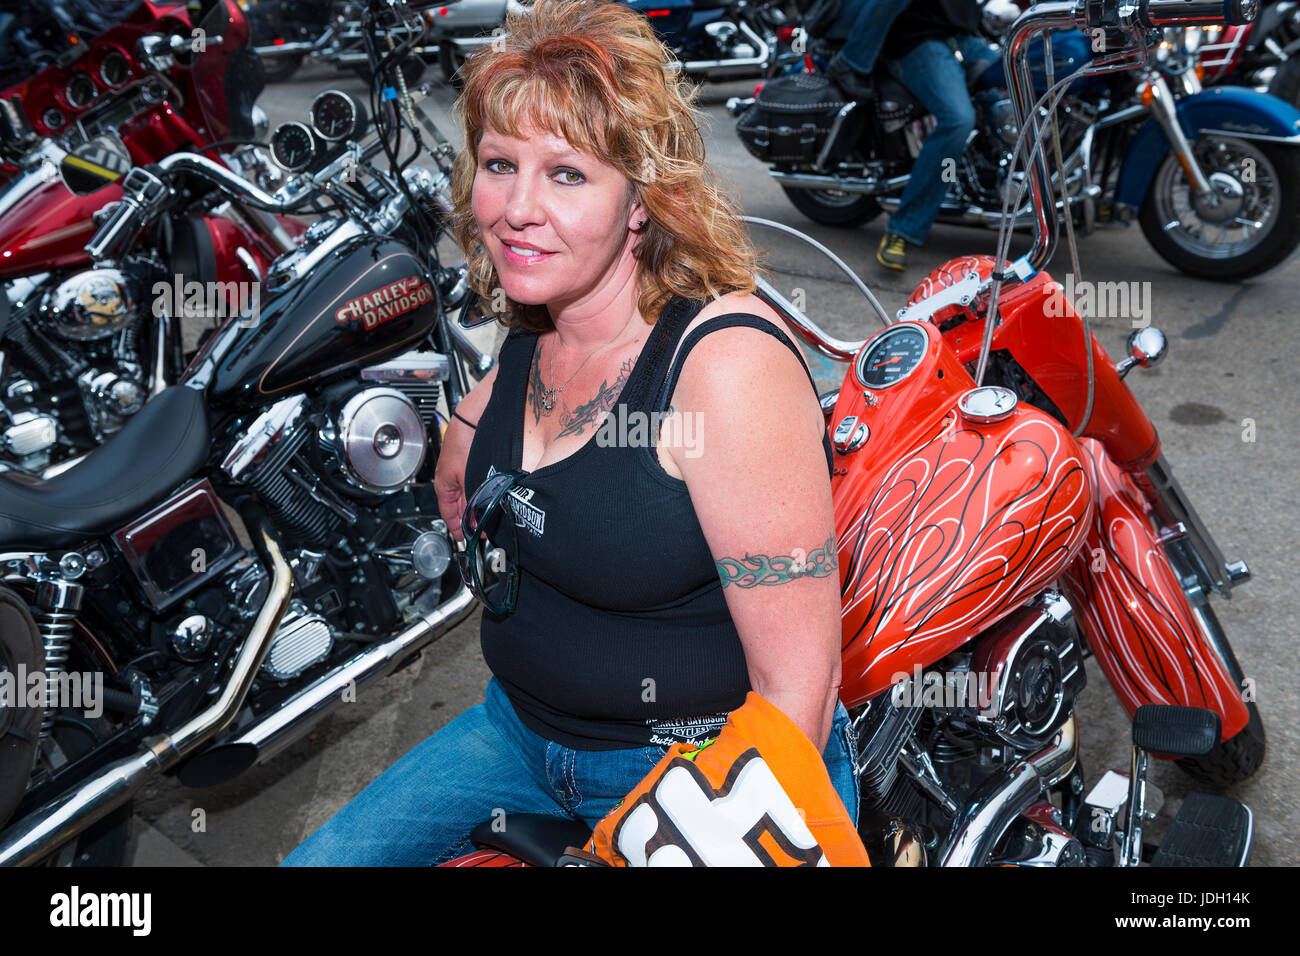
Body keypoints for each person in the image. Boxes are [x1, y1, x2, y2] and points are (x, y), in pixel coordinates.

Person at [282, 0, 857, 867]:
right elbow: (468, 451)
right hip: (513, 736)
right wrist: (466, 451)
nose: (516, 209)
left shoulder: (724, 369)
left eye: (568, 175)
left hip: (698, 767)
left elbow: (798, 693)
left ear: (641, 200)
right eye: (499, 164)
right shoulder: (537, 319)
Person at [872, 0, 998, 270]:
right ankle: (902, 229)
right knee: (957, 119)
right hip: (918, 41)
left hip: (964, 40)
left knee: (1019, 86)